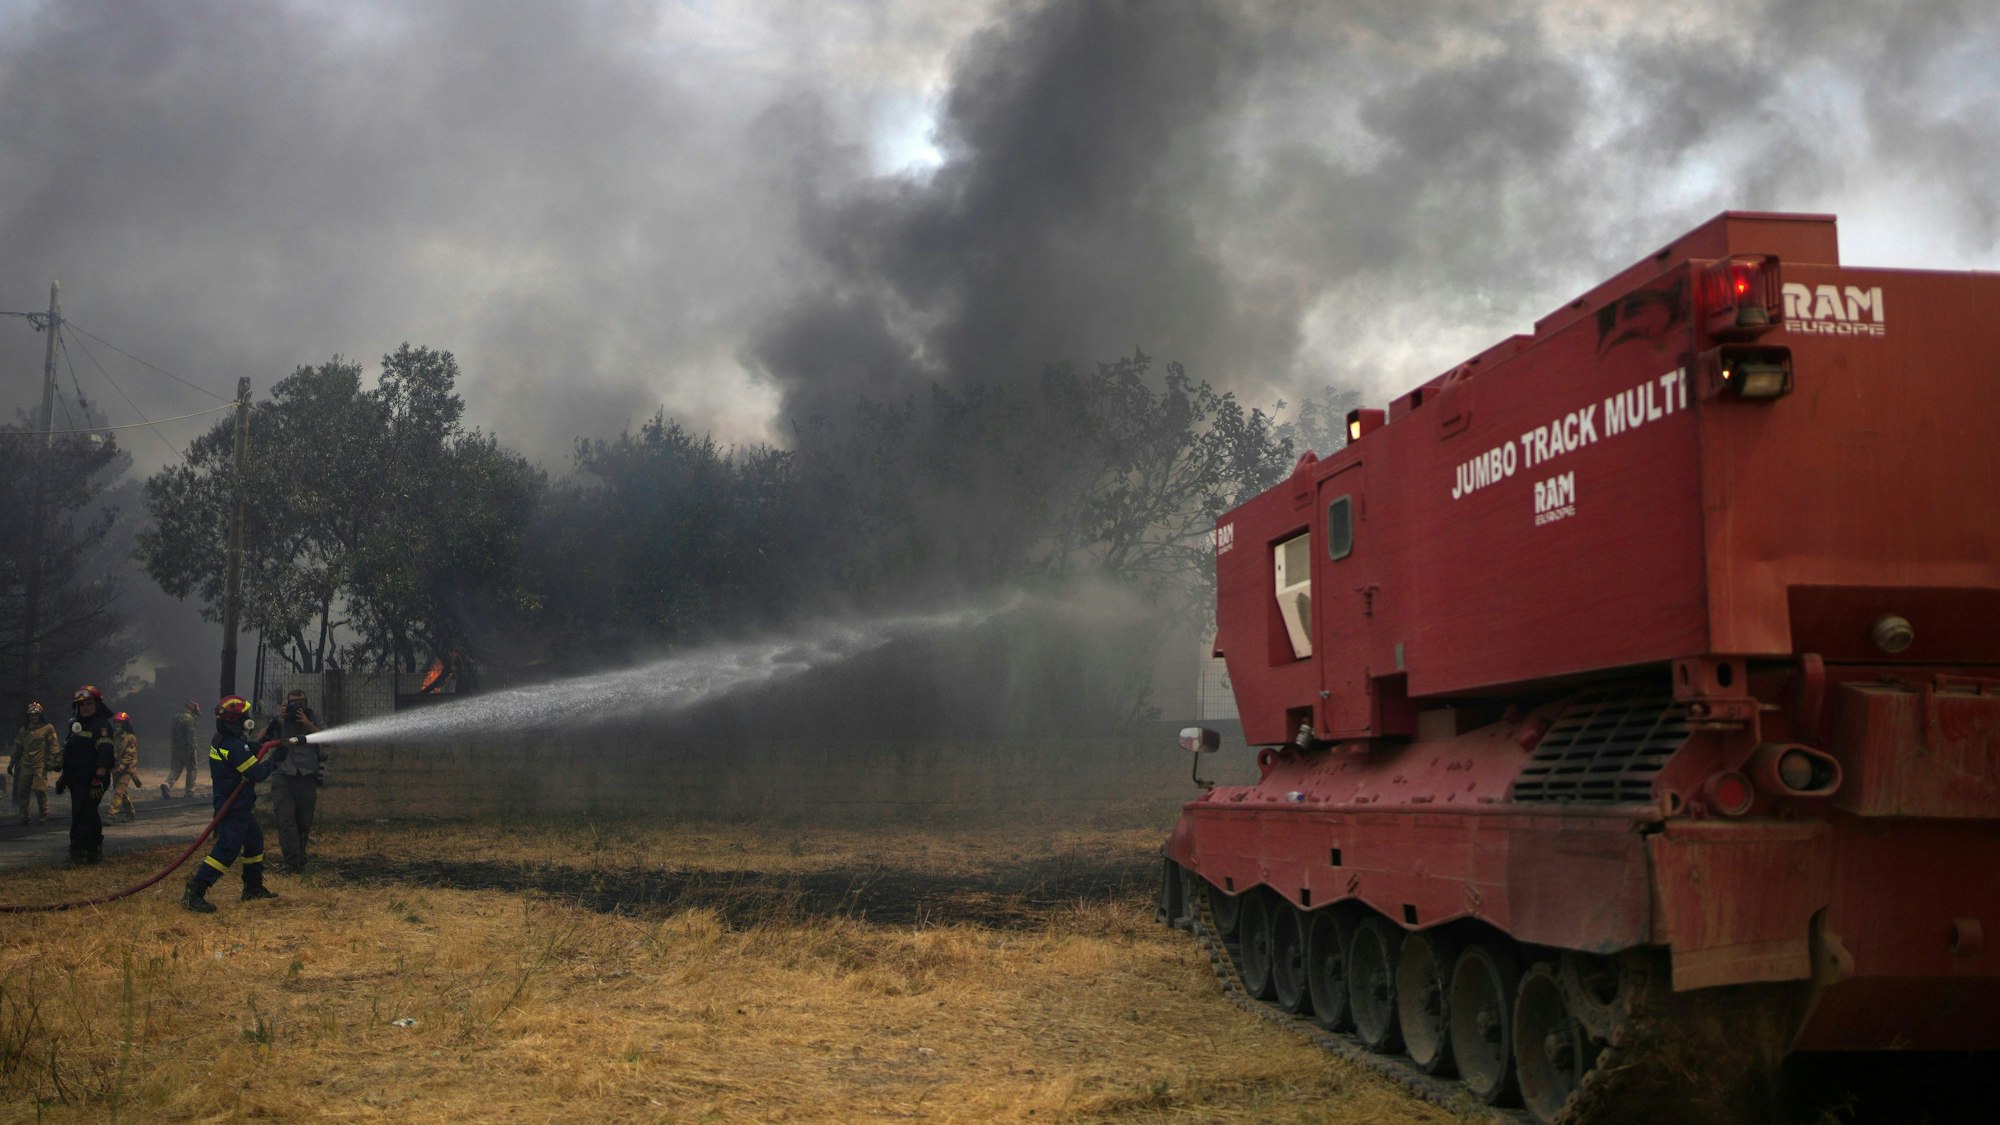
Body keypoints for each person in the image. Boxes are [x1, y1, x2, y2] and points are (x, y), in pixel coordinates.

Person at [181, 695, 285, 913]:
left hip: (236, 803)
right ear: (238, 720)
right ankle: (195, 891)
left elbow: (247, 748)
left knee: (254, 841)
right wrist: (276, 760)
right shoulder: (235, 747)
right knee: (227, 849)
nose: (249, 719)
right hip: (233, 805)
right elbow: (256, 772)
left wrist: (263, 741)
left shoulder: (222, 739)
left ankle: (253, 888)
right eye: (245, 716)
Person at [264, 688, 327, 873]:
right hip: (284, 775)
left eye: (301, 703)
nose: (297, 707)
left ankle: (300, 857)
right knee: (285, 820)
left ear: (306, 703)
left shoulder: (313, 716)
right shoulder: (279, 719)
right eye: (293, 704)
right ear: (286, 704)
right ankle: (291, 862)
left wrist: (307, 724)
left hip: (307, 775)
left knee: (304, 821)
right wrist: (278, 719)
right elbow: (260, 739)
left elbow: (328, 739)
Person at [56, 685, 116, 864]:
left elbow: (105, 753)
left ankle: (79, 852)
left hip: (92, 779)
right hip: (77, 779)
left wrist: (98, 778)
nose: (85, 707)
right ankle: (91, 851)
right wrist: (64, 777)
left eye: (89, 703)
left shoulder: (102, 726)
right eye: (81, 705)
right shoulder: (77, 726)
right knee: (86, 813)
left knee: (83, 814)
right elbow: (71, 754)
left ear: (97, 705)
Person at [9, 701, 56, 824]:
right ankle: (24, 816)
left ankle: (43, 813)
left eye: (36, 715)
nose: (33, 717)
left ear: (40, 715)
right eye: (31, 715)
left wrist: (52, 759)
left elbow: (54, 745)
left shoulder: (48, 728)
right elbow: (17, 747)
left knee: (39, 789)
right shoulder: (23, 730)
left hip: (40, 764)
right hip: (25, 764)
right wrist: (11, 762)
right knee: (23, 790)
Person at [107, 711, 141, 822]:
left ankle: (111, 816)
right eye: (116, 722)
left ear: (125, 725)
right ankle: (131, 814)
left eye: (120, 723)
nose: (117, 725)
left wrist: (121, 767)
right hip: (116, 769)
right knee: (123, 792)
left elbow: (129, 755)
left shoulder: (131, 738)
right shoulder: (114, 737)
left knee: (118, 792)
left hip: (126, 770)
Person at [162, 700, 200, 798]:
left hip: (175, 748)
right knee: (192, 769)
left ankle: (167, 784)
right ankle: (189, 792)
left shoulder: (176, 716)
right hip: (187, 749)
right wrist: (192, 750)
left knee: (175, 769)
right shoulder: (189, 719)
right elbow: (191, 737)